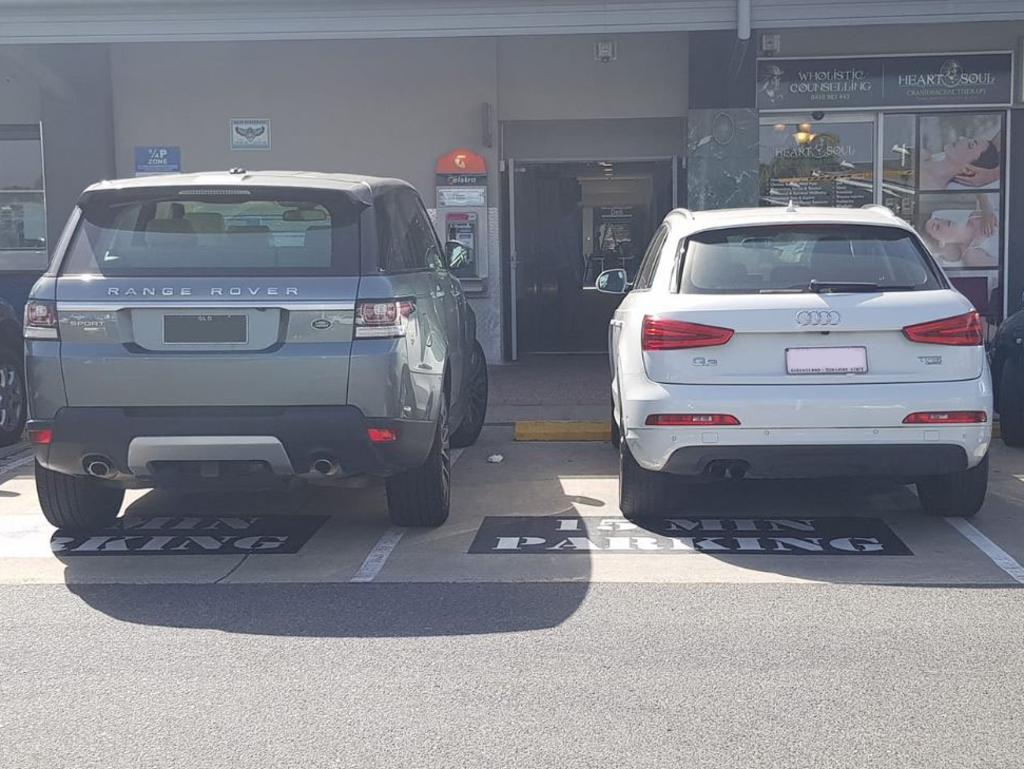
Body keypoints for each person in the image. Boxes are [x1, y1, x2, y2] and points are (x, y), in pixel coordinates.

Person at [923, 195, 999, 268]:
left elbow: (981, 192)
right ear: (941, 243)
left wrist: (987, 209)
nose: (942, 221)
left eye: (938, 219)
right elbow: (1005, 269)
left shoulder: (974, 216)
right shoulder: (971, 256)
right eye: (937, 227)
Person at [920, 132, 1001, 191]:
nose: (961, 138)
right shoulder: (923, 154)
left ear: (968, 170)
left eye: (971, 145)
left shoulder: (931, 188)